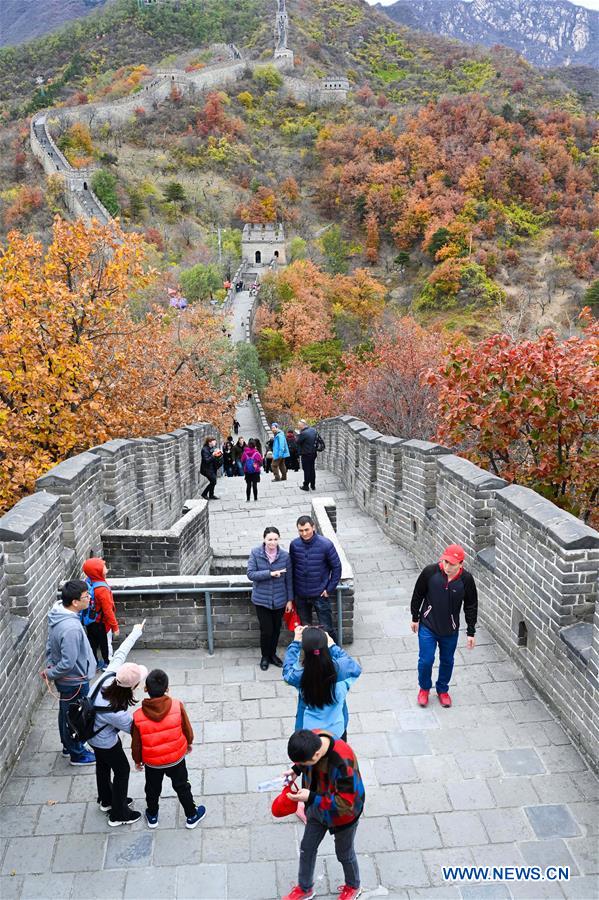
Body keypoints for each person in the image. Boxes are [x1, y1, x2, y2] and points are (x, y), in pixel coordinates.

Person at [282, 729, 365, 900]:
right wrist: (295, 770)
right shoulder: (312, 740)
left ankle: (353, 885)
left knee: (344, 853)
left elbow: (344, 803)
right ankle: (305, 888)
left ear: (316, 755)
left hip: (344, 816)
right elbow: (304, 761)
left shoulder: (343, 762)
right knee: (307, 848)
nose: (303, 765)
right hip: (317, 808)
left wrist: (311, 796)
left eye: (304, 763)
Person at [132, 668, 206, 829]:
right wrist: (189, 743)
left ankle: (152, 815)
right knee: (182, 786)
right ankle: (191, 815)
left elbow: (136, 743)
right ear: (167, 688)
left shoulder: (137, 716)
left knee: (152, 789)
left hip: (152, 763)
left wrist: (138, 760)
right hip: (176, 759)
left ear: (146, 689)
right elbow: (187, 728)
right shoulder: (177, 706)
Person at [88, 622, 147, 827]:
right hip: (104, 740)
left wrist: (136, 631)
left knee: (103, 765)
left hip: (91, 734)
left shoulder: (109, 675)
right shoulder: (115, 711)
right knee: (122, 770)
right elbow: (135, 729)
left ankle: (106, 799)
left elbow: (121, 652)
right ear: (133, 686)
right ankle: (119, 813)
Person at [410, 543, 478, 708]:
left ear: (460, 564)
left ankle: (442, 690)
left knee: (447, 661)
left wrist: (471, 631)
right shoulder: (430, 572)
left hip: (450, 630)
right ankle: (424, 689)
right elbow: (418, 594)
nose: (447, 567)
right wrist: (415, 617)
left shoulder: (466, 580)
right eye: (445, 562)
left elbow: (471, 605)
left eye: (452, 564)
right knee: (426, 660)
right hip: (428, 626)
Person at [42, 580, 97, 766]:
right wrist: (50, 673)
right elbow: (68, 662)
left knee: (66, 713)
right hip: (74, 681)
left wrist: (50, 666)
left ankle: (68, 745)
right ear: (75, 602)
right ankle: (77, 753)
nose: (89, 599)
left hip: (68, 681)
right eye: (86, 596)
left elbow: (50, 645)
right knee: (75, 716)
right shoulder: (71, 627)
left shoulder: (57, 615)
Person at [283, 626, 361, 740]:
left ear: (304, 651)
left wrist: (295, 643)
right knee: (338, 756)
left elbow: (288, 672)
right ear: (325, 647)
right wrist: (333, 646)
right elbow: (352, 665)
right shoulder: (342, 669)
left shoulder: (301, 676)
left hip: (309, 734)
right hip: (337, 731)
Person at [247, 527, 294, 671]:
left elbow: (289, 580)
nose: (272, 542)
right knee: (266, 630)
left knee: (276, 630)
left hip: (280, 600)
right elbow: (250, 574)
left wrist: (290, 600)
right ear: (264, 539)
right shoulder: (256, 553)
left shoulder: (285, 556)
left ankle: (273, 655)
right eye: (269, 539)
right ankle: (265, 656)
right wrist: (270, 573)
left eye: (275, 539)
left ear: (279, 539)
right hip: (261, 600)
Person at [290, 516, 342, 644]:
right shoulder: (294, 545)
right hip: (301, 595)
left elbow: (336, 567)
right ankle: (310, 657)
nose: (304, 533)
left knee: (327, 629)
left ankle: (336, 655)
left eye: (307, 529)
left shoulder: (326, 544)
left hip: (320, 595)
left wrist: (329, 589)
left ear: (313, 527)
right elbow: (291, 568)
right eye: (301, 531)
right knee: (305, 630)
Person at [82, 558, 119, 671]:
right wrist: (115, 627)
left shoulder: (88, 582)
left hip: (90, 621)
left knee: (92, 643)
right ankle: (108, 663)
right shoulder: (102, 589)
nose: (106, 568)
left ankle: (94, 663)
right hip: (102, 623)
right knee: (106, 644)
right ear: (97, 571)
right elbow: (108, 611)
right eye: (104, 567)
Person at [296, 419, 318, 492]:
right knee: (312, 469)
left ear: (303, 425)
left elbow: (297, 441)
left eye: (299, 425)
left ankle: (306, 486)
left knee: (306, 470)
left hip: (306, 454)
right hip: (313, 453)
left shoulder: (303, 433)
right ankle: (313, 485)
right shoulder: (313, 430)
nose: (299, 427)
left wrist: (298, 434)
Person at [200, 436, 220, 500]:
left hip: (212, 468)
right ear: (209, 442)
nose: (215, 442)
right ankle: (204, 494)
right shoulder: (204, 450)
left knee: (213, 481)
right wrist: (213, 455)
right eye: (214, 441)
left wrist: (218, 453)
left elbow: (214, 457)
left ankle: (211, 495)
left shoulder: (212, 448)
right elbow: (206, 460)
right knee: (213, 481)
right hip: (206, 469)